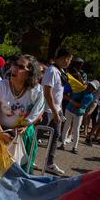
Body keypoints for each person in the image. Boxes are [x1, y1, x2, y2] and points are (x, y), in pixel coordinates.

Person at [0, 55, 45, 174]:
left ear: (30, 73)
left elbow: (39, 112)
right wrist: (1, 134)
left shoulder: (37, 91)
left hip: (23, 137)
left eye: (20, 67)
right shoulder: (3, 85)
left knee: (18, 174)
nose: (14, 68)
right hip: (0, 133)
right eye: (14, 64)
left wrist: (27, 125)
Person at [41, 48, 73, 176]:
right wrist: (54, 112)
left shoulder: (61, 71)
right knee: (36, 136)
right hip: (47, 111)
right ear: (63, 57)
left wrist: (59, 112)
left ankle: (49, 163)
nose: (69, 62)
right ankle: (26, 158)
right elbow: (47, 92)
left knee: (55, 137)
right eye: (69, 59)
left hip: (56, 110)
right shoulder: (51, 70)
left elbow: (58, 93)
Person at [60, 81, 98, 154]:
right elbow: (71, 93)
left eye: (92, 87)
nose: (89, 87)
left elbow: (80, 105)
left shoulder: (90, 97)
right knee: (66, 127)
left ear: (94, 90)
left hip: (78, 113)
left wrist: (69, 99)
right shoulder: (79, 89)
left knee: (76, 129)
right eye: (89, 85)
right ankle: (62, 144)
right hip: (69, 109)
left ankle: (75, 147)